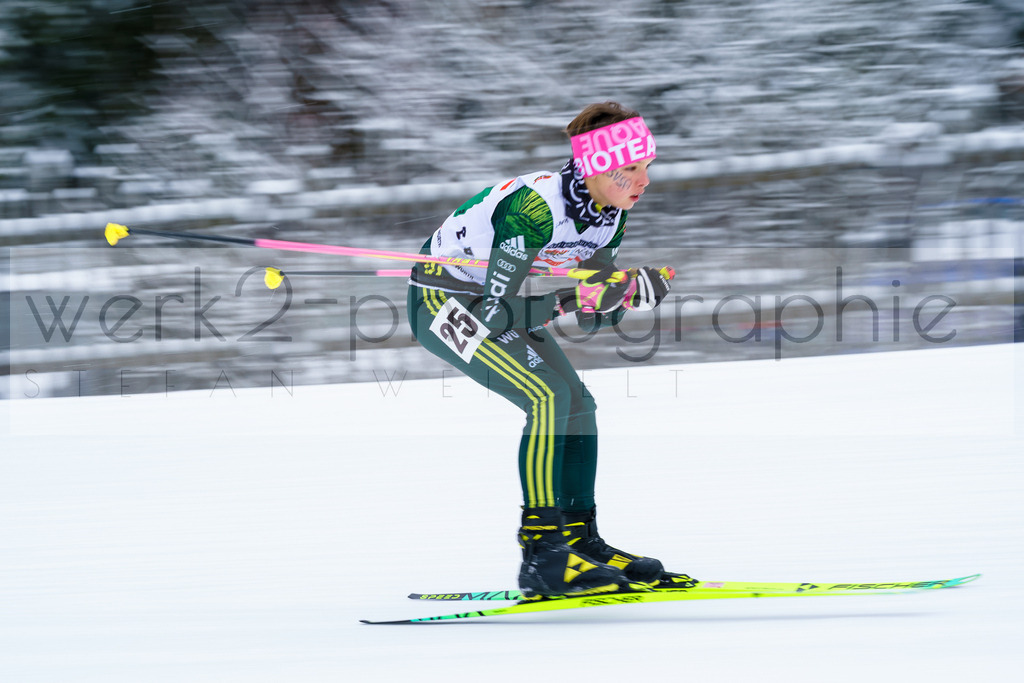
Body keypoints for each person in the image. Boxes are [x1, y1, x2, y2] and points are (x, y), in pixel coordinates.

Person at [407, 101, 691, 599]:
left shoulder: (609, 215)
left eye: (647, 166)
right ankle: (542, 554)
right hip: (443, 300)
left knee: (578, 404)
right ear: (595, 167)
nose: (643, 180)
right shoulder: (534, 209)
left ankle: (579, 540)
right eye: (630, 169)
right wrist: (576, 296)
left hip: (491, 302)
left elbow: (593, 315)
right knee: (547, 398)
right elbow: (495, 317)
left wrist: (628, 294)